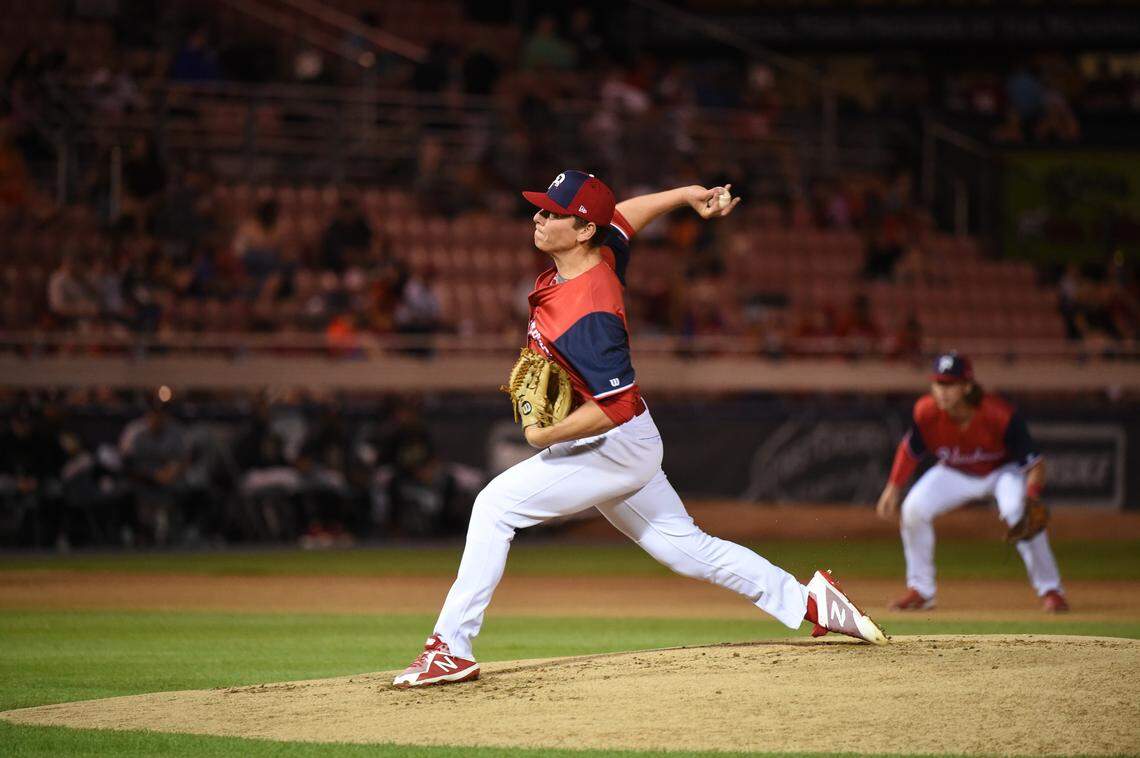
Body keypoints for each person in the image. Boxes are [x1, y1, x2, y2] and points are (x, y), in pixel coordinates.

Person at [393, 171, 887, 689]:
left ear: (583, 230)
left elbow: (618, 404)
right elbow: (626, 216)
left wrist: (542, 438)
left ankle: (450, 648)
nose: (538, 218)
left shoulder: (591, 310)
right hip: (629, 444)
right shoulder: (600, 252)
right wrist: (684, 195)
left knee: (494, 506)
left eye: (551, 212)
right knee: (684, 549)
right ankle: (810, 600)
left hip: (612, 442)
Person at [874, 352, 1067, 613]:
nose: (942, 391)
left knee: (1018, 512)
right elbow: (910, 450)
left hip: (1002, 472)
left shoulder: (1000, 415)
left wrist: (1031, 496)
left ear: (967, 386)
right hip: (955, 472)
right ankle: (921, 591)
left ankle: (1051, 590)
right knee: (913, 509)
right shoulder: (927, 413)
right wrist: (893, 486)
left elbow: (1036, 465)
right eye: (938, 383)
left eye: (950, 384)